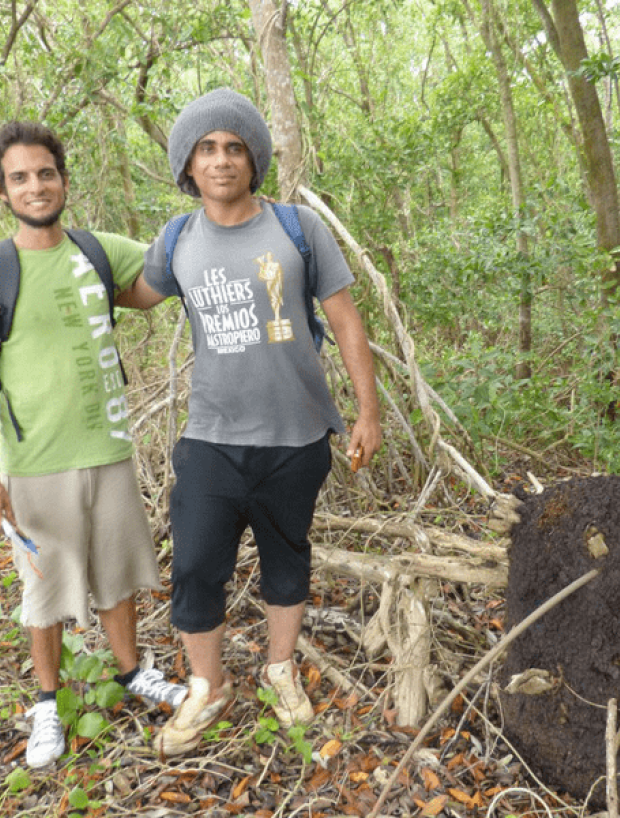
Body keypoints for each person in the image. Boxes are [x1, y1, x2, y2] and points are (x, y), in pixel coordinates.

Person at [116, 88, 383, 757]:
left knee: (286, 559)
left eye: (235, 147)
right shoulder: (177, 240)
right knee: (198, 565)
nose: (222, 159)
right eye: (207, 149)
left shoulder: (297, 228)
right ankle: (206, 686)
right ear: (188, 165)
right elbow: (134, 294)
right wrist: (59, 258)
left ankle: (279, 668)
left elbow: (347, 320)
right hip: (211, 438)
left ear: (253, 158)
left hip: (296, 437)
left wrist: (367, 411)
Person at [0, 121, 187, 769]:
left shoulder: (96, 250)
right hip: (33, 463)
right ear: (2, 191)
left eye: (45, 173)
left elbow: (155, 285)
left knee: (116, 574)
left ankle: (133, 673)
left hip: (108, 448)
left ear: (63, 177)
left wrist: (205, 225)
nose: (36, 186)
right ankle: (49, 705)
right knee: (45, 589)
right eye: (20, 177)